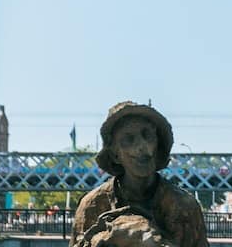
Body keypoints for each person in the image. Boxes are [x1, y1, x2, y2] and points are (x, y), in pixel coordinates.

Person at [71, 102, 208, 247]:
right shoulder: (93, 204)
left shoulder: (185, 207)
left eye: (147, 136)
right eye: (128, 139)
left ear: (157, 145)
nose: (142, 147)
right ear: (115, 155)